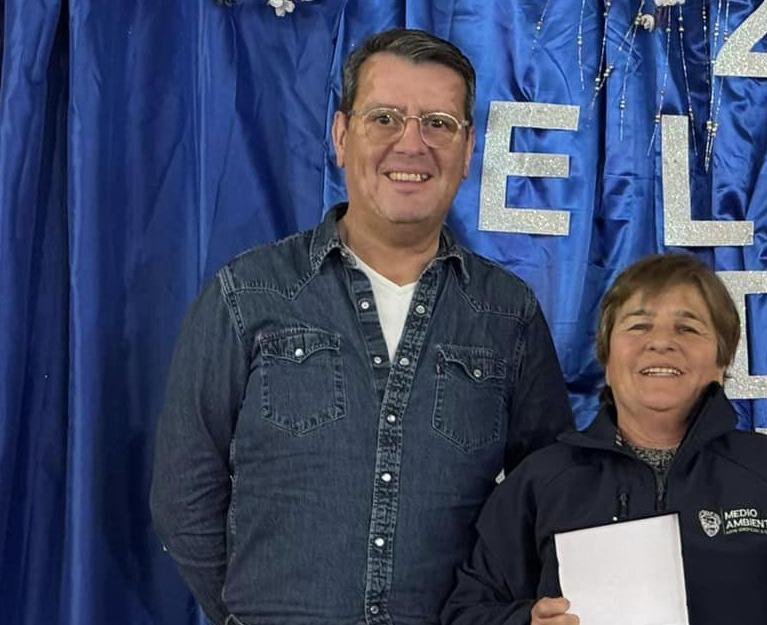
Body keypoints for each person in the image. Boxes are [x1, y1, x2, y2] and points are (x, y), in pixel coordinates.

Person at [150, 29, 573, 625]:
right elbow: (184, 495)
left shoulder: (507, 313)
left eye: (438, 123)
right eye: (385, 118)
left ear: (468, 149)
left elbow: (546, 497)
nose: (412, 143)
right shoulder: (247, 294)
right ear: (342, 136)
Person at [442, 253, 767, 625]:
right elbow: (465, 611)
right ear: (606, 357)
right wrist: (526, 621)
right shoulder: (542, 482)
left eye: (687, 328)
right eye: (638, 325)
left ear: (722, 360)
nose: (661, 342)